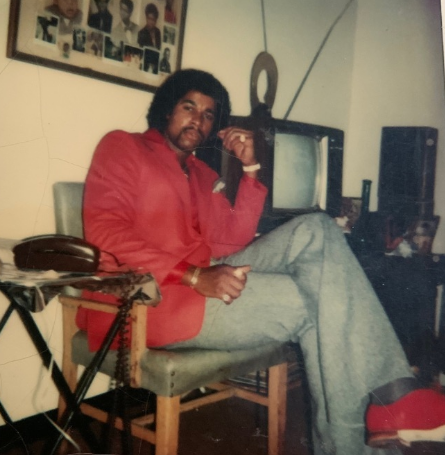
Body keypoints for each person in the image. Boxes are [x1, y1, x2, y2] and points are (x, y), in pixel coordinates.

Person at [78, 69, 445, 455]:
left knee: (317, 228)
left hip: (204, 280)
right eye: (189, 107)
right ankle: (370, 428)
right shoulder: (124, 146)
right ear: (167, 108)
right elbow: (105, 232)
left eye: (207, 114)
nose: (198, 120)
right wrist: (194, 275)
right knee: (318, 300)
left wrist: (251, 170)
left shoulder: (202, 173)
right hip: (150, 298)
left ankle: (395, 398)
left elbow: (231, 240)